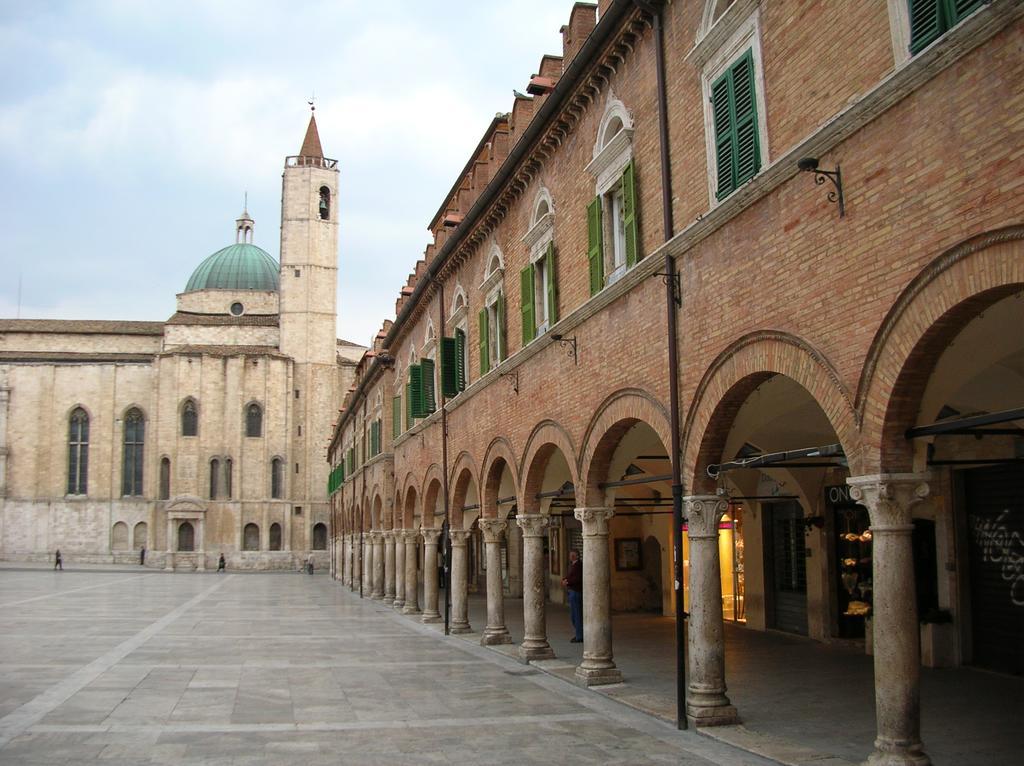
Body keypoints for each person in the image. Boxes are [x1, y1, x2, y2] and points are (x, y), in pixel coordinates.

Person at [562, 549, 583, 642]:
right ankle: (579, 634)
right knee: (574, 616)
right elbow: (570, 576)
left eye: (573, 555)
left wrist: (567, 582)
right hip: (572, 591)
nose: (571, 556)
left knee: (577, 615)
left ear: (577, 556)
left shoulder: (578, 565)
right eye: (570, 555)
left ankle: (579, 636)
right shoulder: (573, 565)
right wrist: (564, 579)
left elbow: (577, 579)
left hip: (576, 592)